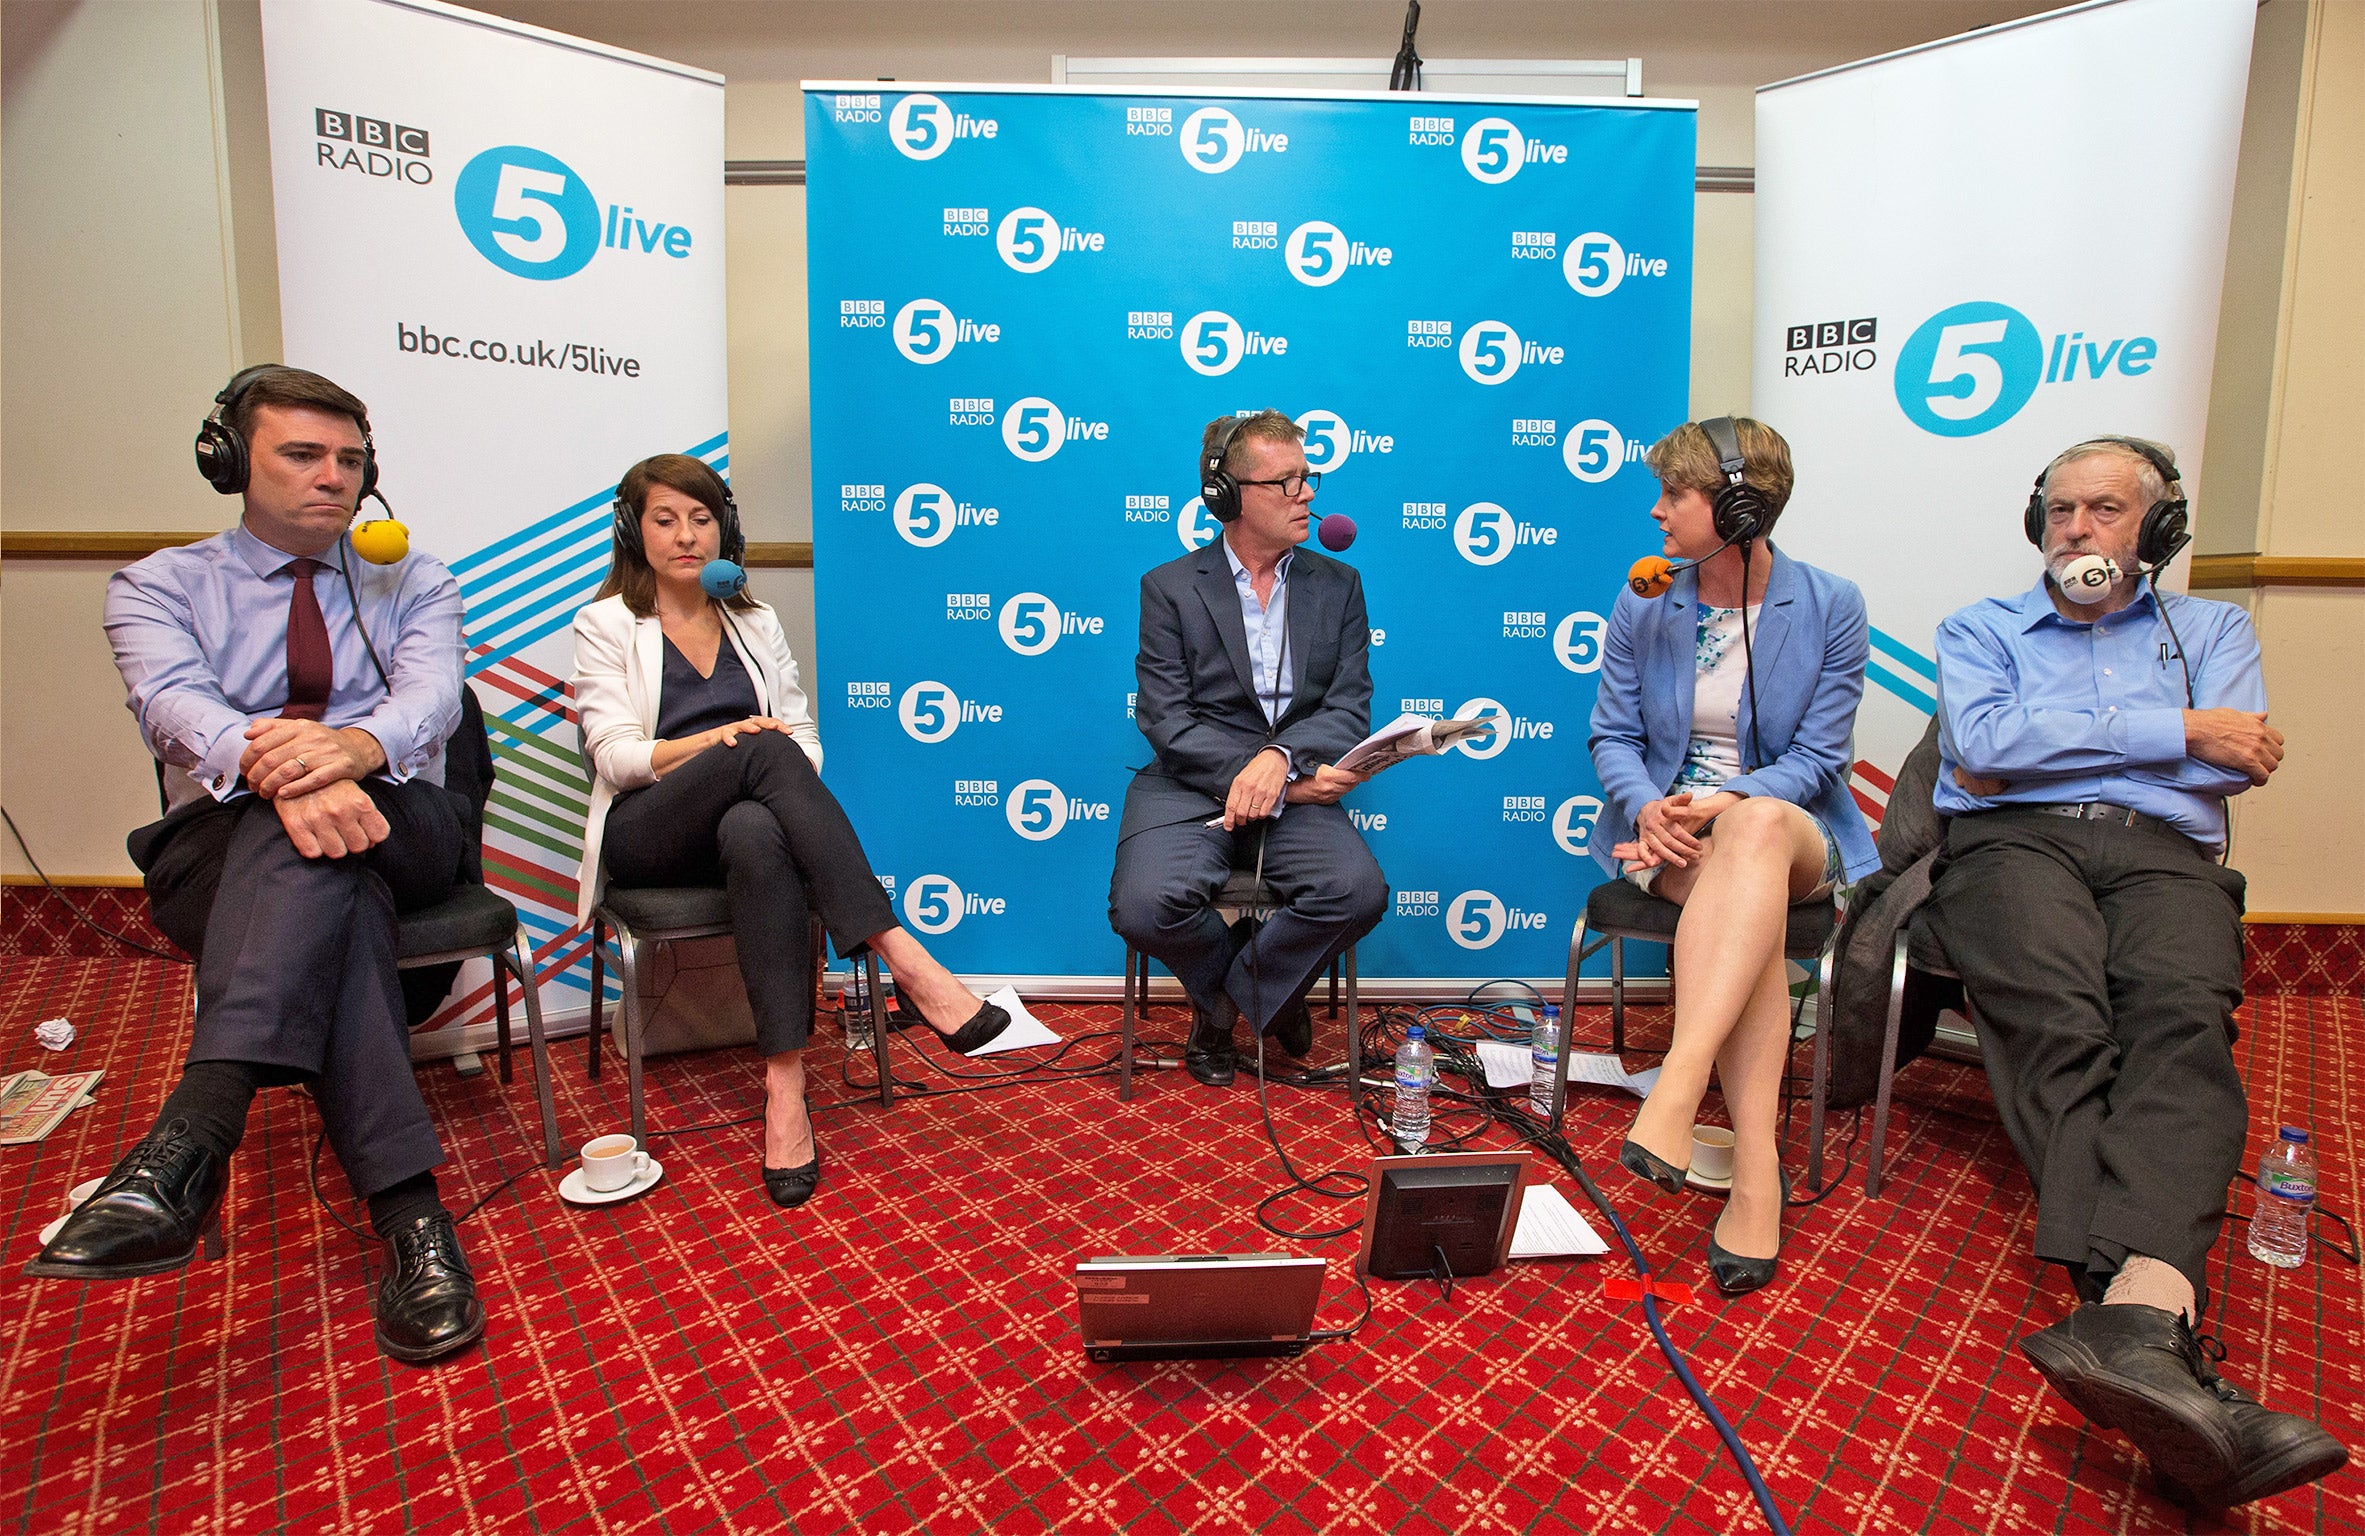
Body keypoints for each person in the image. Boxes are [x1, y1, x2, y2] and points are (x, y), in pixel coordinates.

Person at [32, 366, 484, 1365]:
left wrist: (351, 754)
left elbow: (430, 705)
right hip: (221, 841)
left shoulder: (417, 580)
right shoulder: (158, 585)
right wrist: (283, 767)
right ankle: (412, 1219)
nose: (333, 480)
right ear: (231, 462)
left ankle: (192, 1134)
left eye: (351, 461)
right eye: (302, 455)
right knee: (326, 873)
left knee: (325, 840)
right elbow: (174, 709)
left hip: (402, 819)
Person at [1924, 436, 2344, 1509]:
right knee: (2062, 1021)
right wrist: (2172, 729)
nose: (2077, 530)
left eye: (2104, 509)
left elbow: (2233, 758)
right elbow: (1980, 750)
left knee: (2183, 1022)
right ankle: (2154, 1320)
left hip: (2166, 855)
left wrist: (2071, 736)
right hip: (2011, 844)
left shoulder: (2211, 630)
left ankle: (2132, 1329)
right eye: (2060, 510)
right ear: (2037, 524)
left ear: (2153, 530)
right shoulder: (1980, 627)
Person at [571, 455, 1009, 1209]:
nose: (687, 537)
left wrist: (758, 756)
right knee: (761, 751)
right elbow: (615, 755)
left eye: (702, 519)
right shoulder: (606, 623)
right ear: (630, 530)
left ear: (726, 530)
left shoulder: (754, 619)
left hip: (741, 826)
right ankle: (903, 956)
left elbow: (802, 737)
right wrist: (727, 744)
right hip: (650, 832)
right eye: (665, 519)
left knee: (754, 829)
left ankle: (784, 1089)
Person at [1588, 416, 1876, 1295]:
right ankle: (1757, 1174)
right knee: (1740, 916)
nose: (1656, 512)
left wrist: (1729, 799)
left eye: (1673, 495)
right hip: (1669, 831)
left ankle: (1678, 1082)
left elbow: (1821, 759)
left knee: (1749, 829)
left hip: (1786, 824)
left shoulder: (1829, 603)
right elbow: (1612, 736)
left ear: (1739, 505)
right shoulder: (1645, 598)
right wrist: (1648, 806)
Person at [1108, 410, 1386, 1087]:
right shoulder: (1168, 588)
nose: (1308, 495)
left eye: (1309, 476)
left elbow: (1349, 703)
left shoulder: (1338, 585)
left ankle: (1231, 1005)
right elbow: (1165, 718)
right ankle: (1258, 998)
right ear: (1225, 496)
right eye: (1287, 481)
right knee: (1143, 906)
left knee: (1356, 893)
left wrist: (1281, 762)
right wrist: (1262, 776)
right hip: (1186, 780)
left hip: (1291, 774)